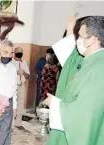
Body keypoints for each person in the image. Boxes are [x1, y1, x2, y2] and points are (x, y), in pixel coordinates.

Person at [43, 16, 104, 145]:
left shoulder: (98, 68)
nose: (78, 41)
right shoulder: (91, 61)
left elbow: (84, 114)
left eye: (81, 36)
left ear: (92, 39)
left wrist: (54, 104)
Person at [12, 47, 30, 131]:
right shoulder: (10, 62)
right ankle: (9, 123)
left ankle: (18, 123)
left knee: (20, 104)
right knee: (10, 103)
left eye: (21, 53)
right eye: (18, 52)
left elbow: (28, 76)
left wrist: (24, 73)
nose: (19, 54)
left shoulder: (24, 62)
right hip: (12, 86)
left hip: (21, 85)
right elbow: (6, 74)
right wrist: (16, 73)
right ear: (14, 53)